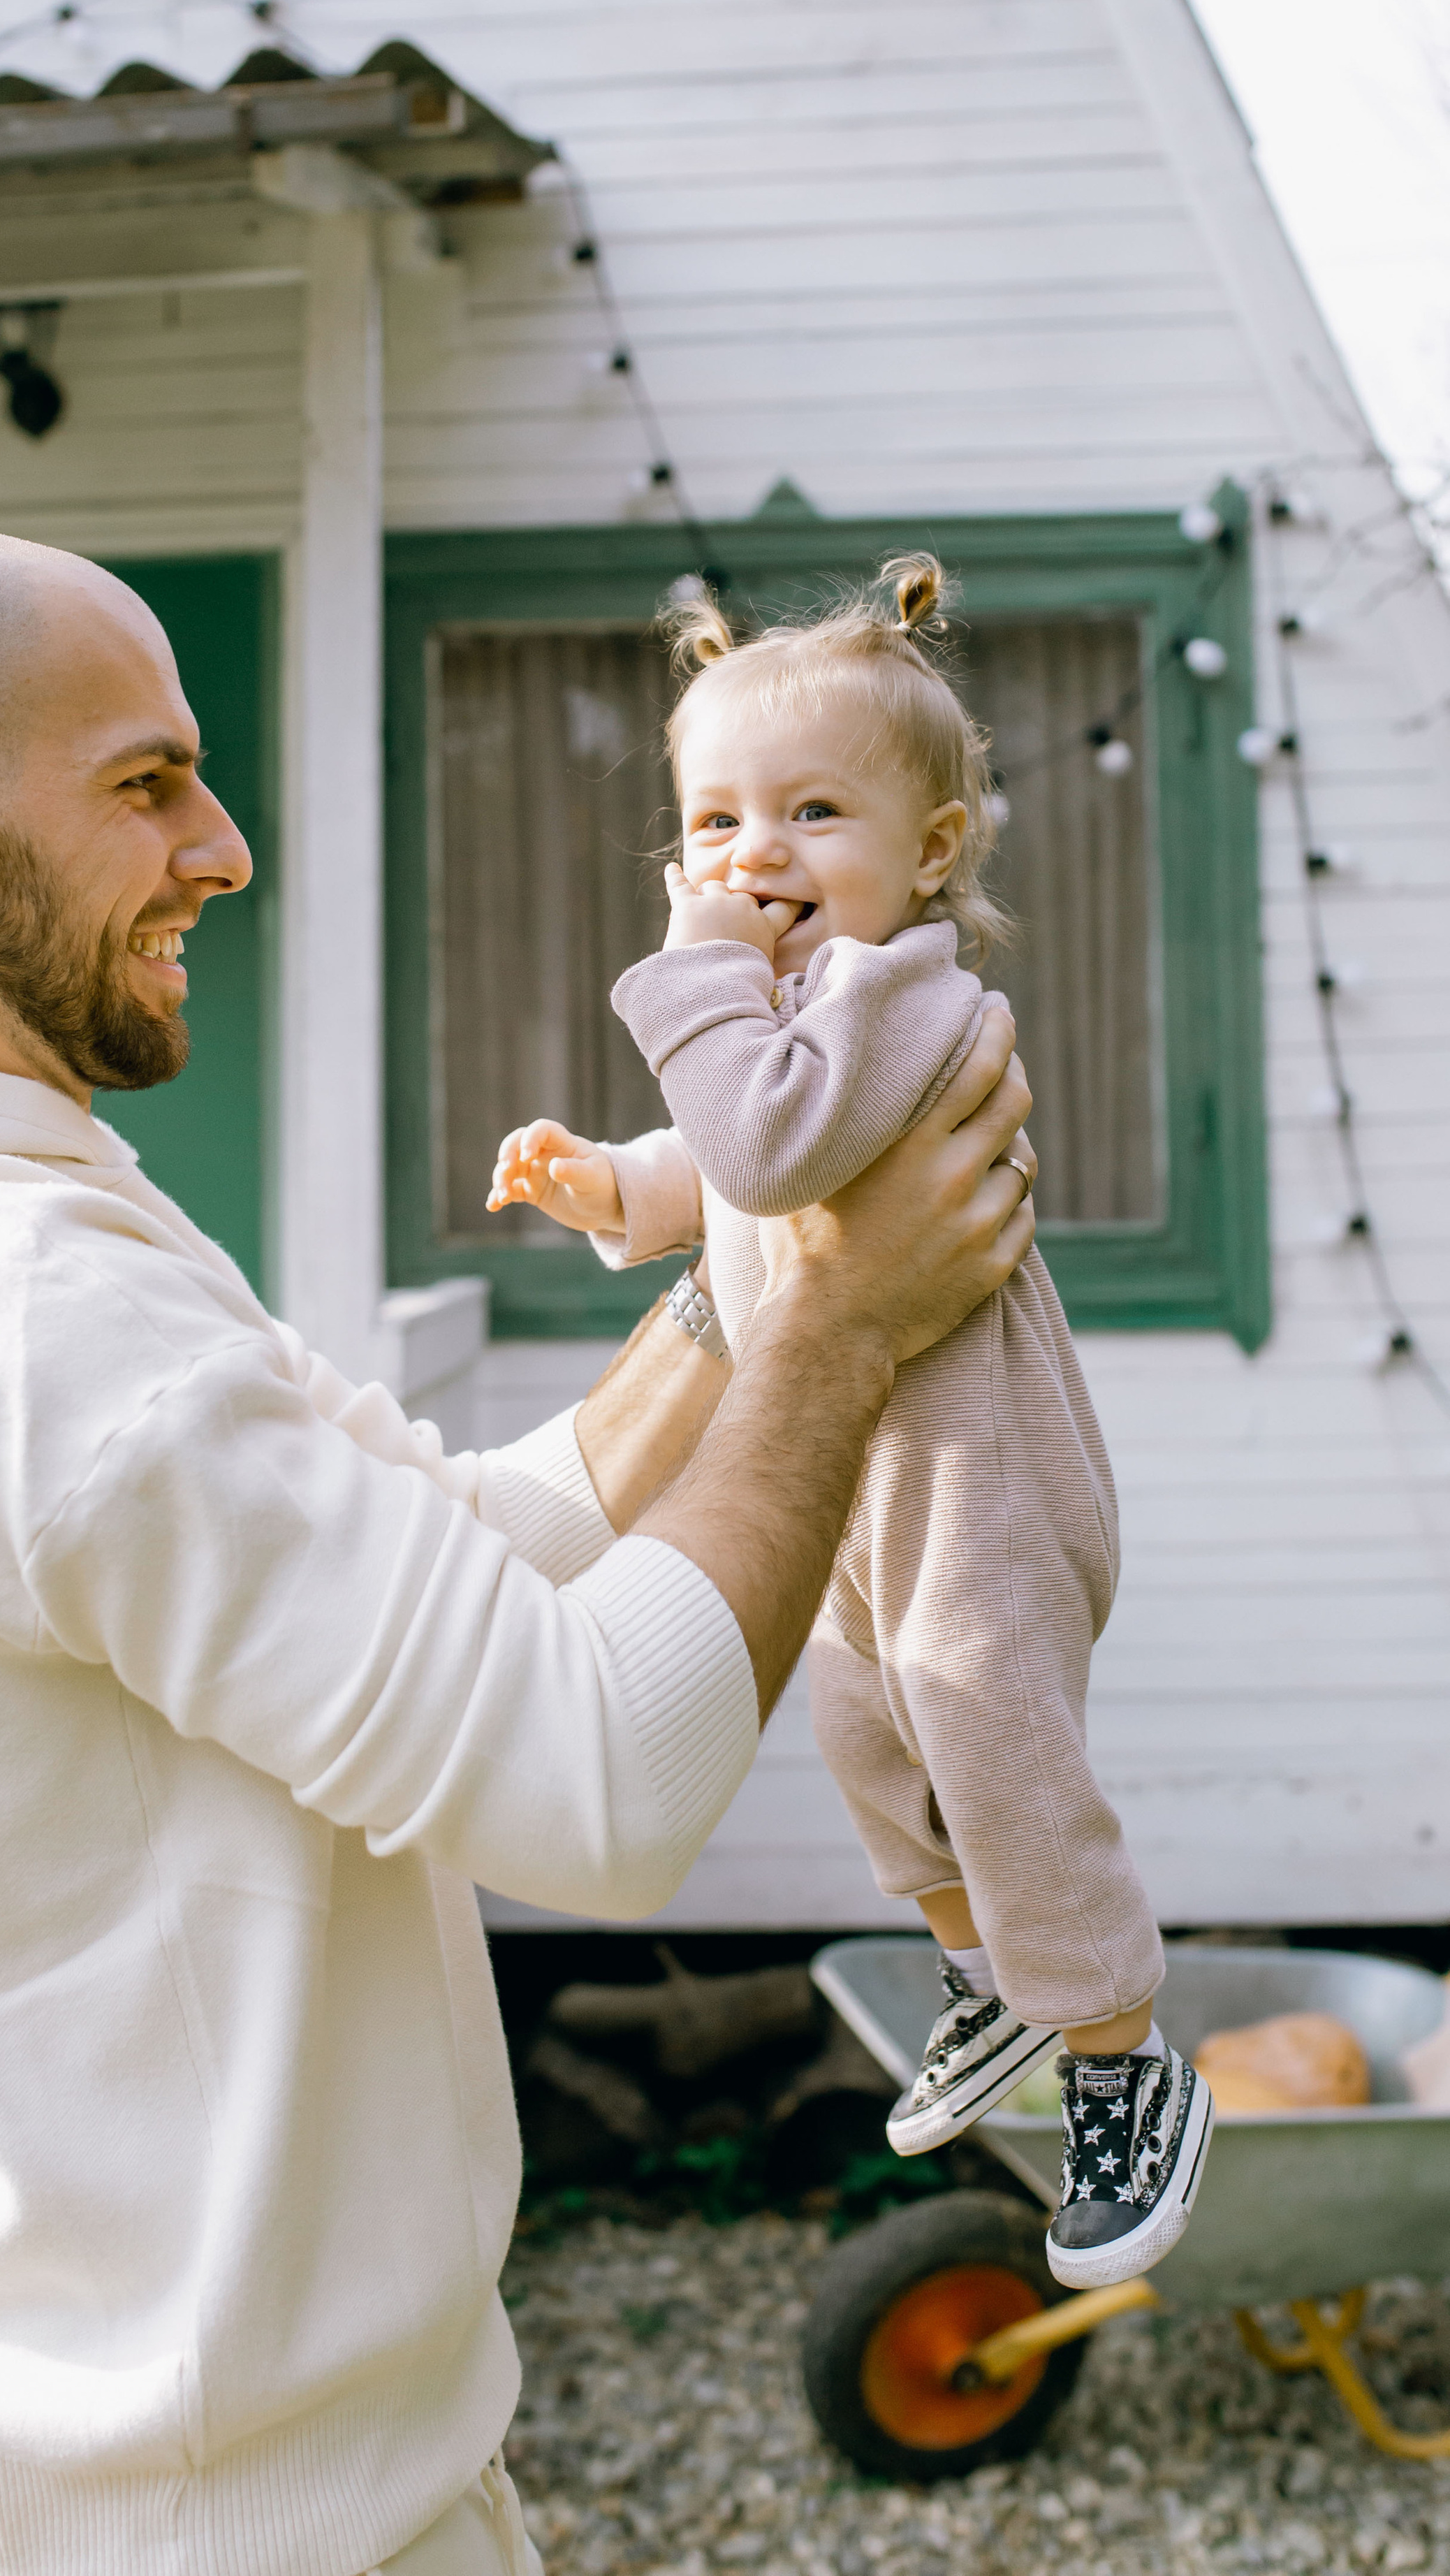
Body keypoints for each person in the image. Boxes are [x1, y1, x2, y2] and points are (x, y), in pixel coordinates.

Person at [0, 526, 1037, 2576]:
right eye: (146, 782)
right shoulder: (14, 1317)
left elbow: (447, 1546)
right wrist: (841, 1331)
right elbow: (594, 1778)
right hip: (238, 2529)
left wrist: (746, 1281)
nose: (222, 849)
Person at [486, 560, 1212, 2292]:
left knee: (991, 1743)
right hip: (867, 1490)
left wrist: (688, 976)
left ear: (931, 850)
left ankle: (1122, 2059)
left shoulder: (907, 997)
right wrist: (617, 1188)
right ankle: (982, 1980)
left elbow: (766, 1143)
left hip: (976, 1484)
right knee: (867, 1730)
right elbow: (728, 1170)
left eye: (813, 813)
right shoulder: (796, 1029)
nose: (758, 854)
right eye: (715, 820)